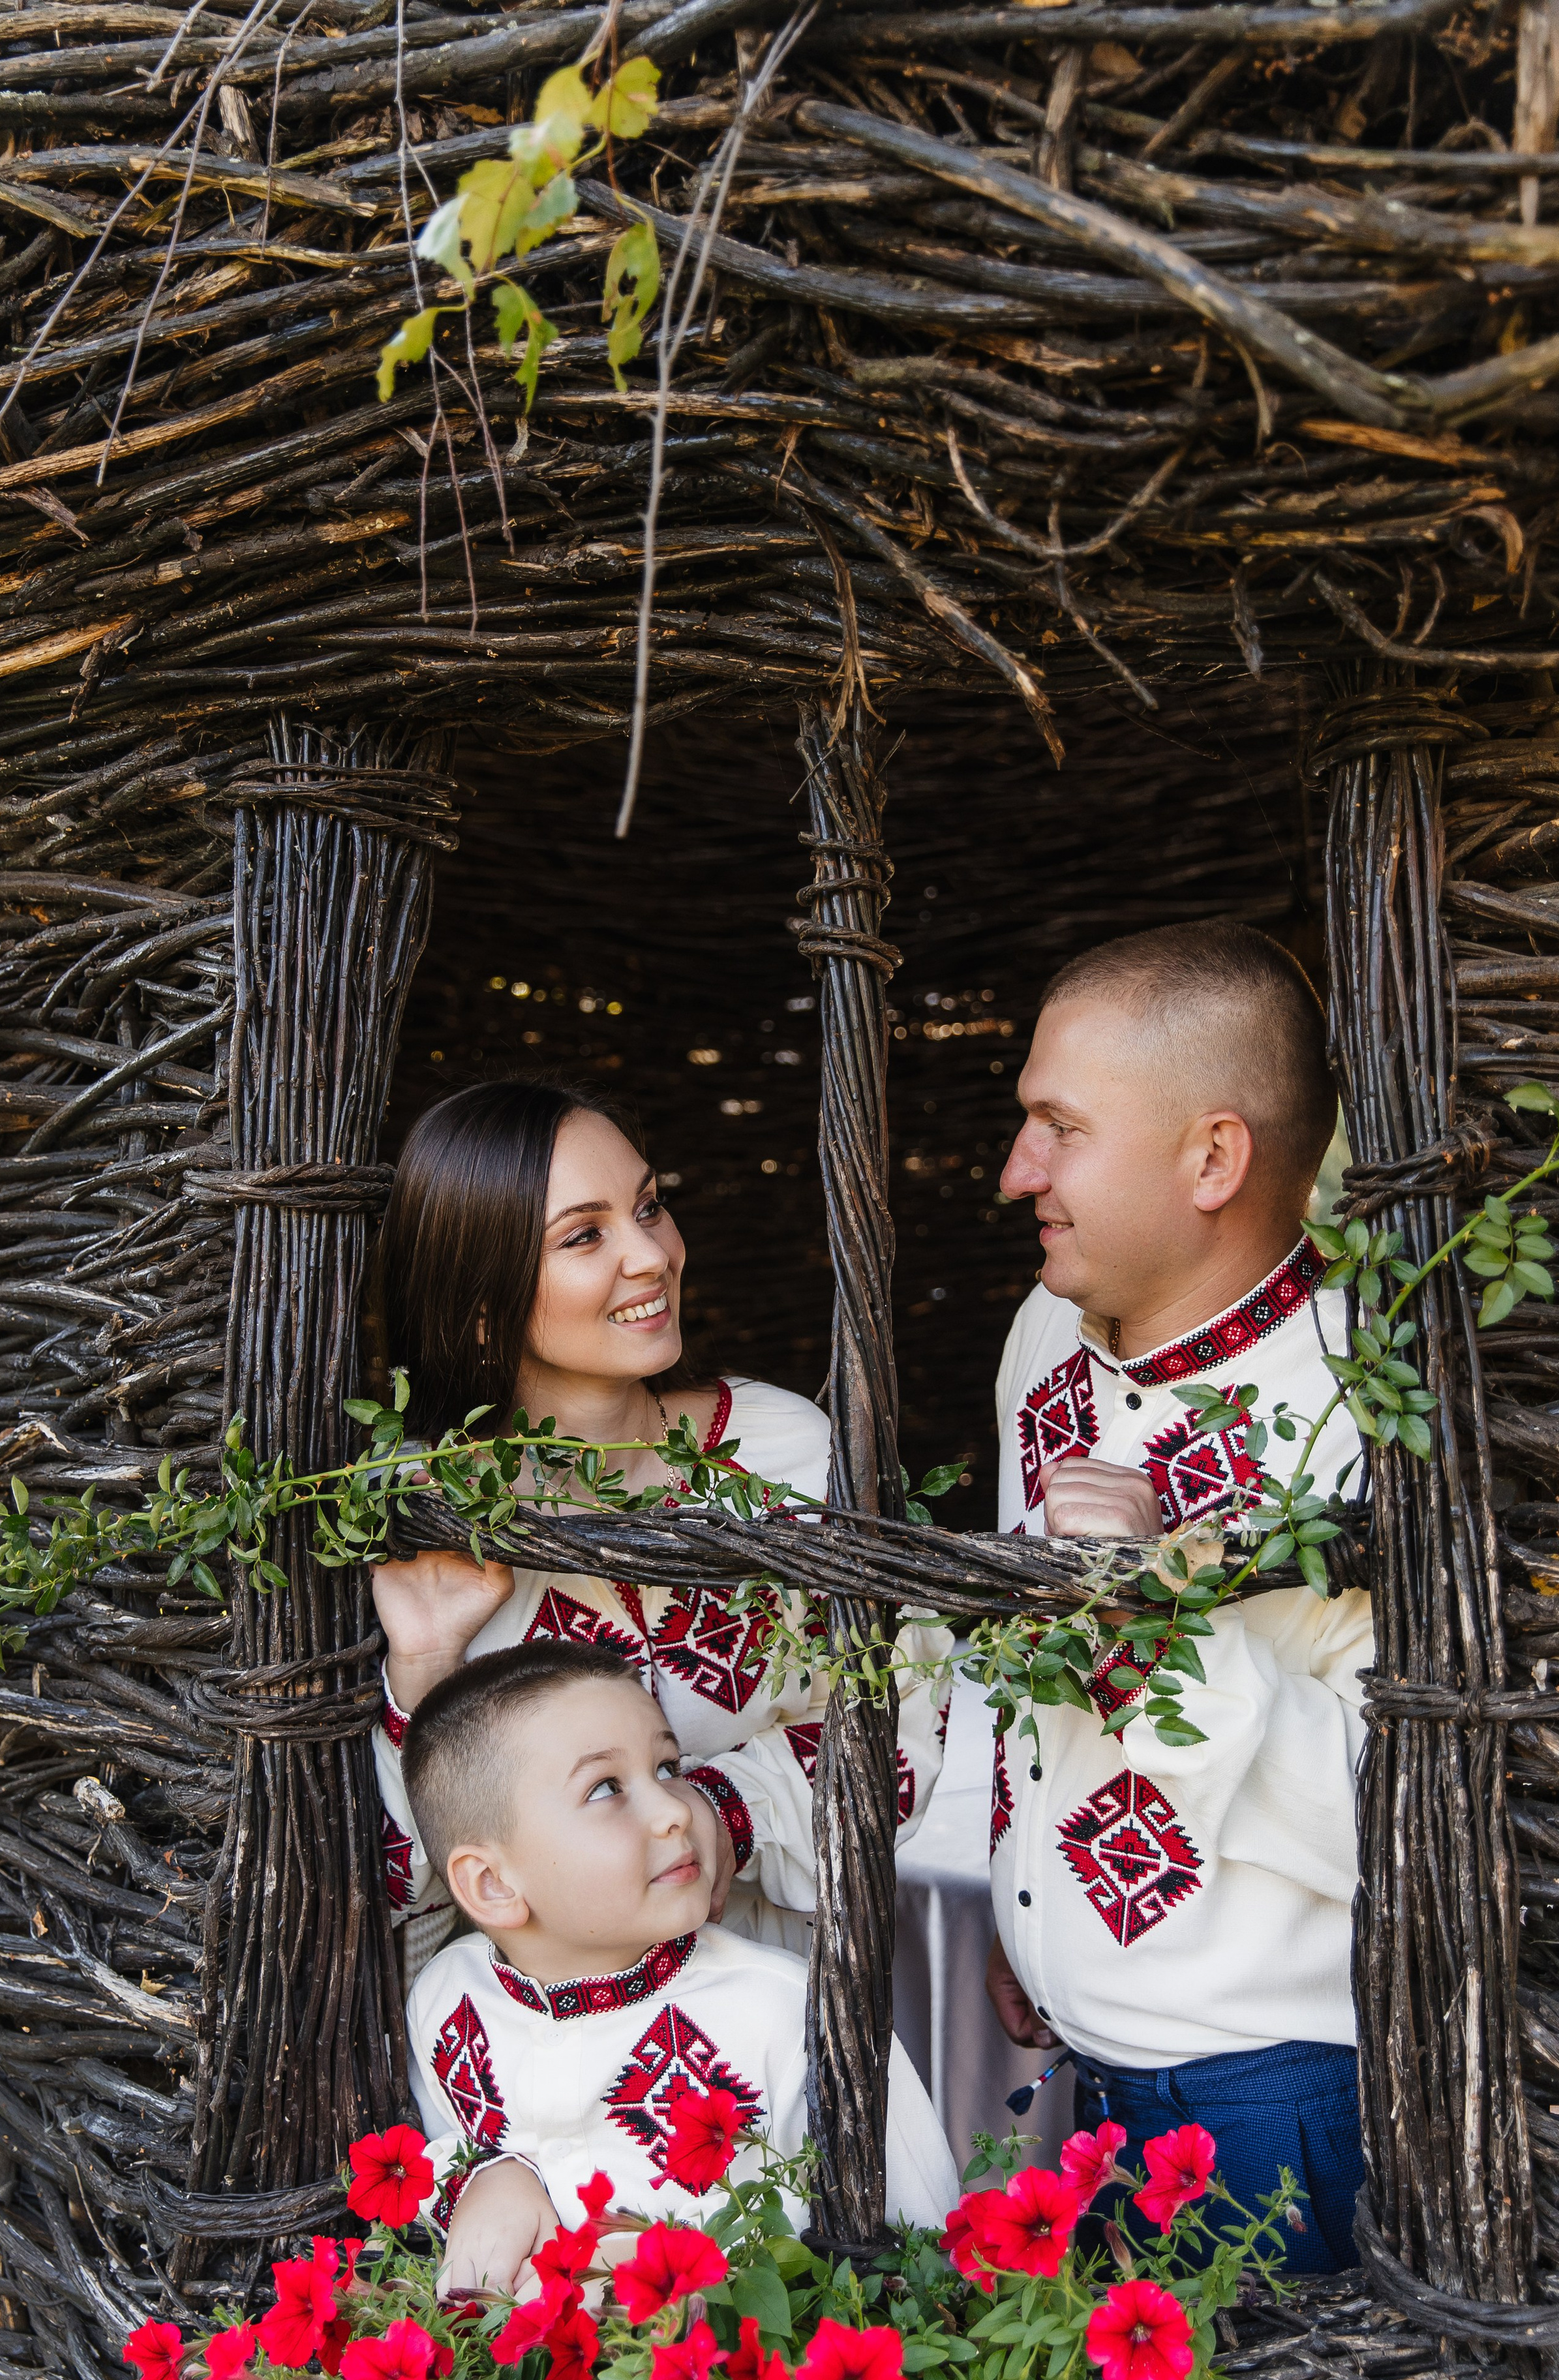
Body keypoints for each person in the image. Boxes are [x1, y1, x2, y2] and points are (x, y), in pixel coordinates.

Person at [984, 921, 1370, 2272]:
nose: (1011, 1172)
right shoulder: (1043, 1338)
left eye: (1057, 1128)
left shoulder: (1365, 1407)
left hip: (1275, 2100)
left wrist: (1164, 1613)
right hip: (1070, 2087)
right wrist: (1013, 1894)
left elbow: (1392, 1805)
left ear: (1210, 1158)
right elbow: (1017, 1664)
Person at [369, 1079, 950, 1977]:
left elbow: (908, 1709)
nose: (652, 1255)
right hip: (539, 2065)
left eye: (649, 1207)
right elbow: (389, 1886)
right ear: (481, 1303)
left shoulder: (782, 1454)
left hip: (779, 2020)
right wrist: (421, 1676)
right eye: (585, 1234)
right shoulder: (416, 1516)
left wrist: (720, 1808)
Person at [402, 1640, 959, 2291]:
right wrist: (492, 2175)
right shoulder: (448, 1998)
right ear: (492, 1883)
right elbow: (439, 2155)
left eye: (668, 1767)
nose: (675, 1809)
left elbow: (921, 2250)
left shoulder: (787, 2013)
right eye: (606, 1788)